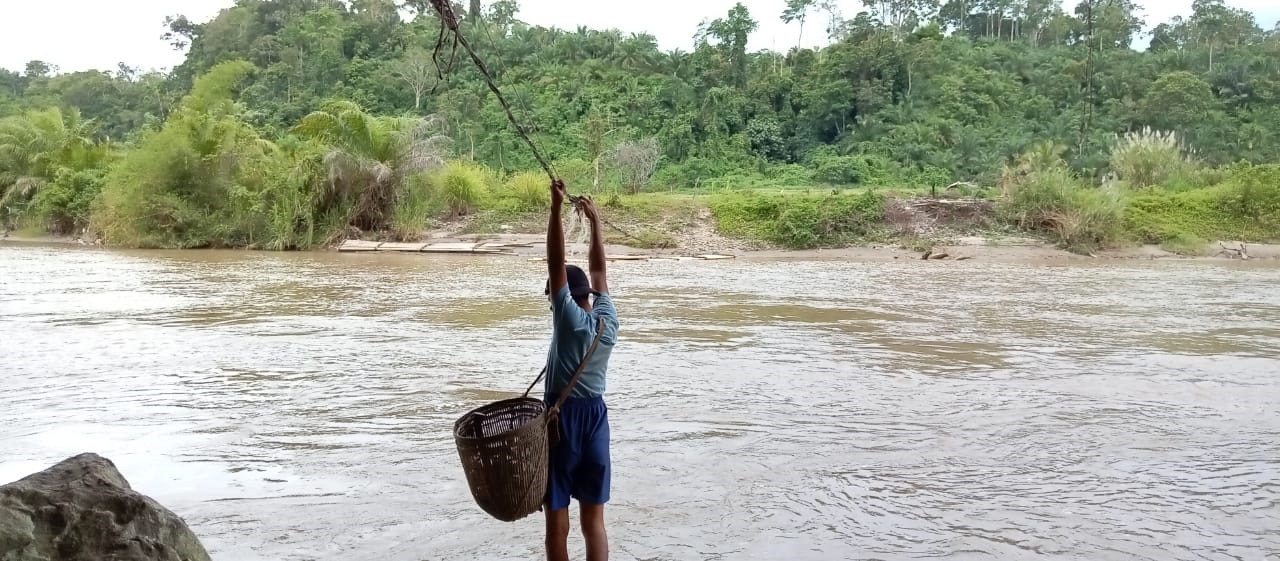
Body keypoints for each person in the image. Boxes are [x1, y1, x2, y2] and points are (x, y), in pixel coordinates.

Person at [542, 178, 618, 561]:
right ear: (589, 294)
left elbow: (556, 263)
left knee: (557, 524)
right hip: (597, 418)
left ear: (564, 298)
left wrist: (556, 210)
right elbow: (600, 270)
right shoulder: (608, 320)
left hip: (562, 419)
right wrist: (595, 222)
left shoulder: (568, 320)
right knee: (595, 523)